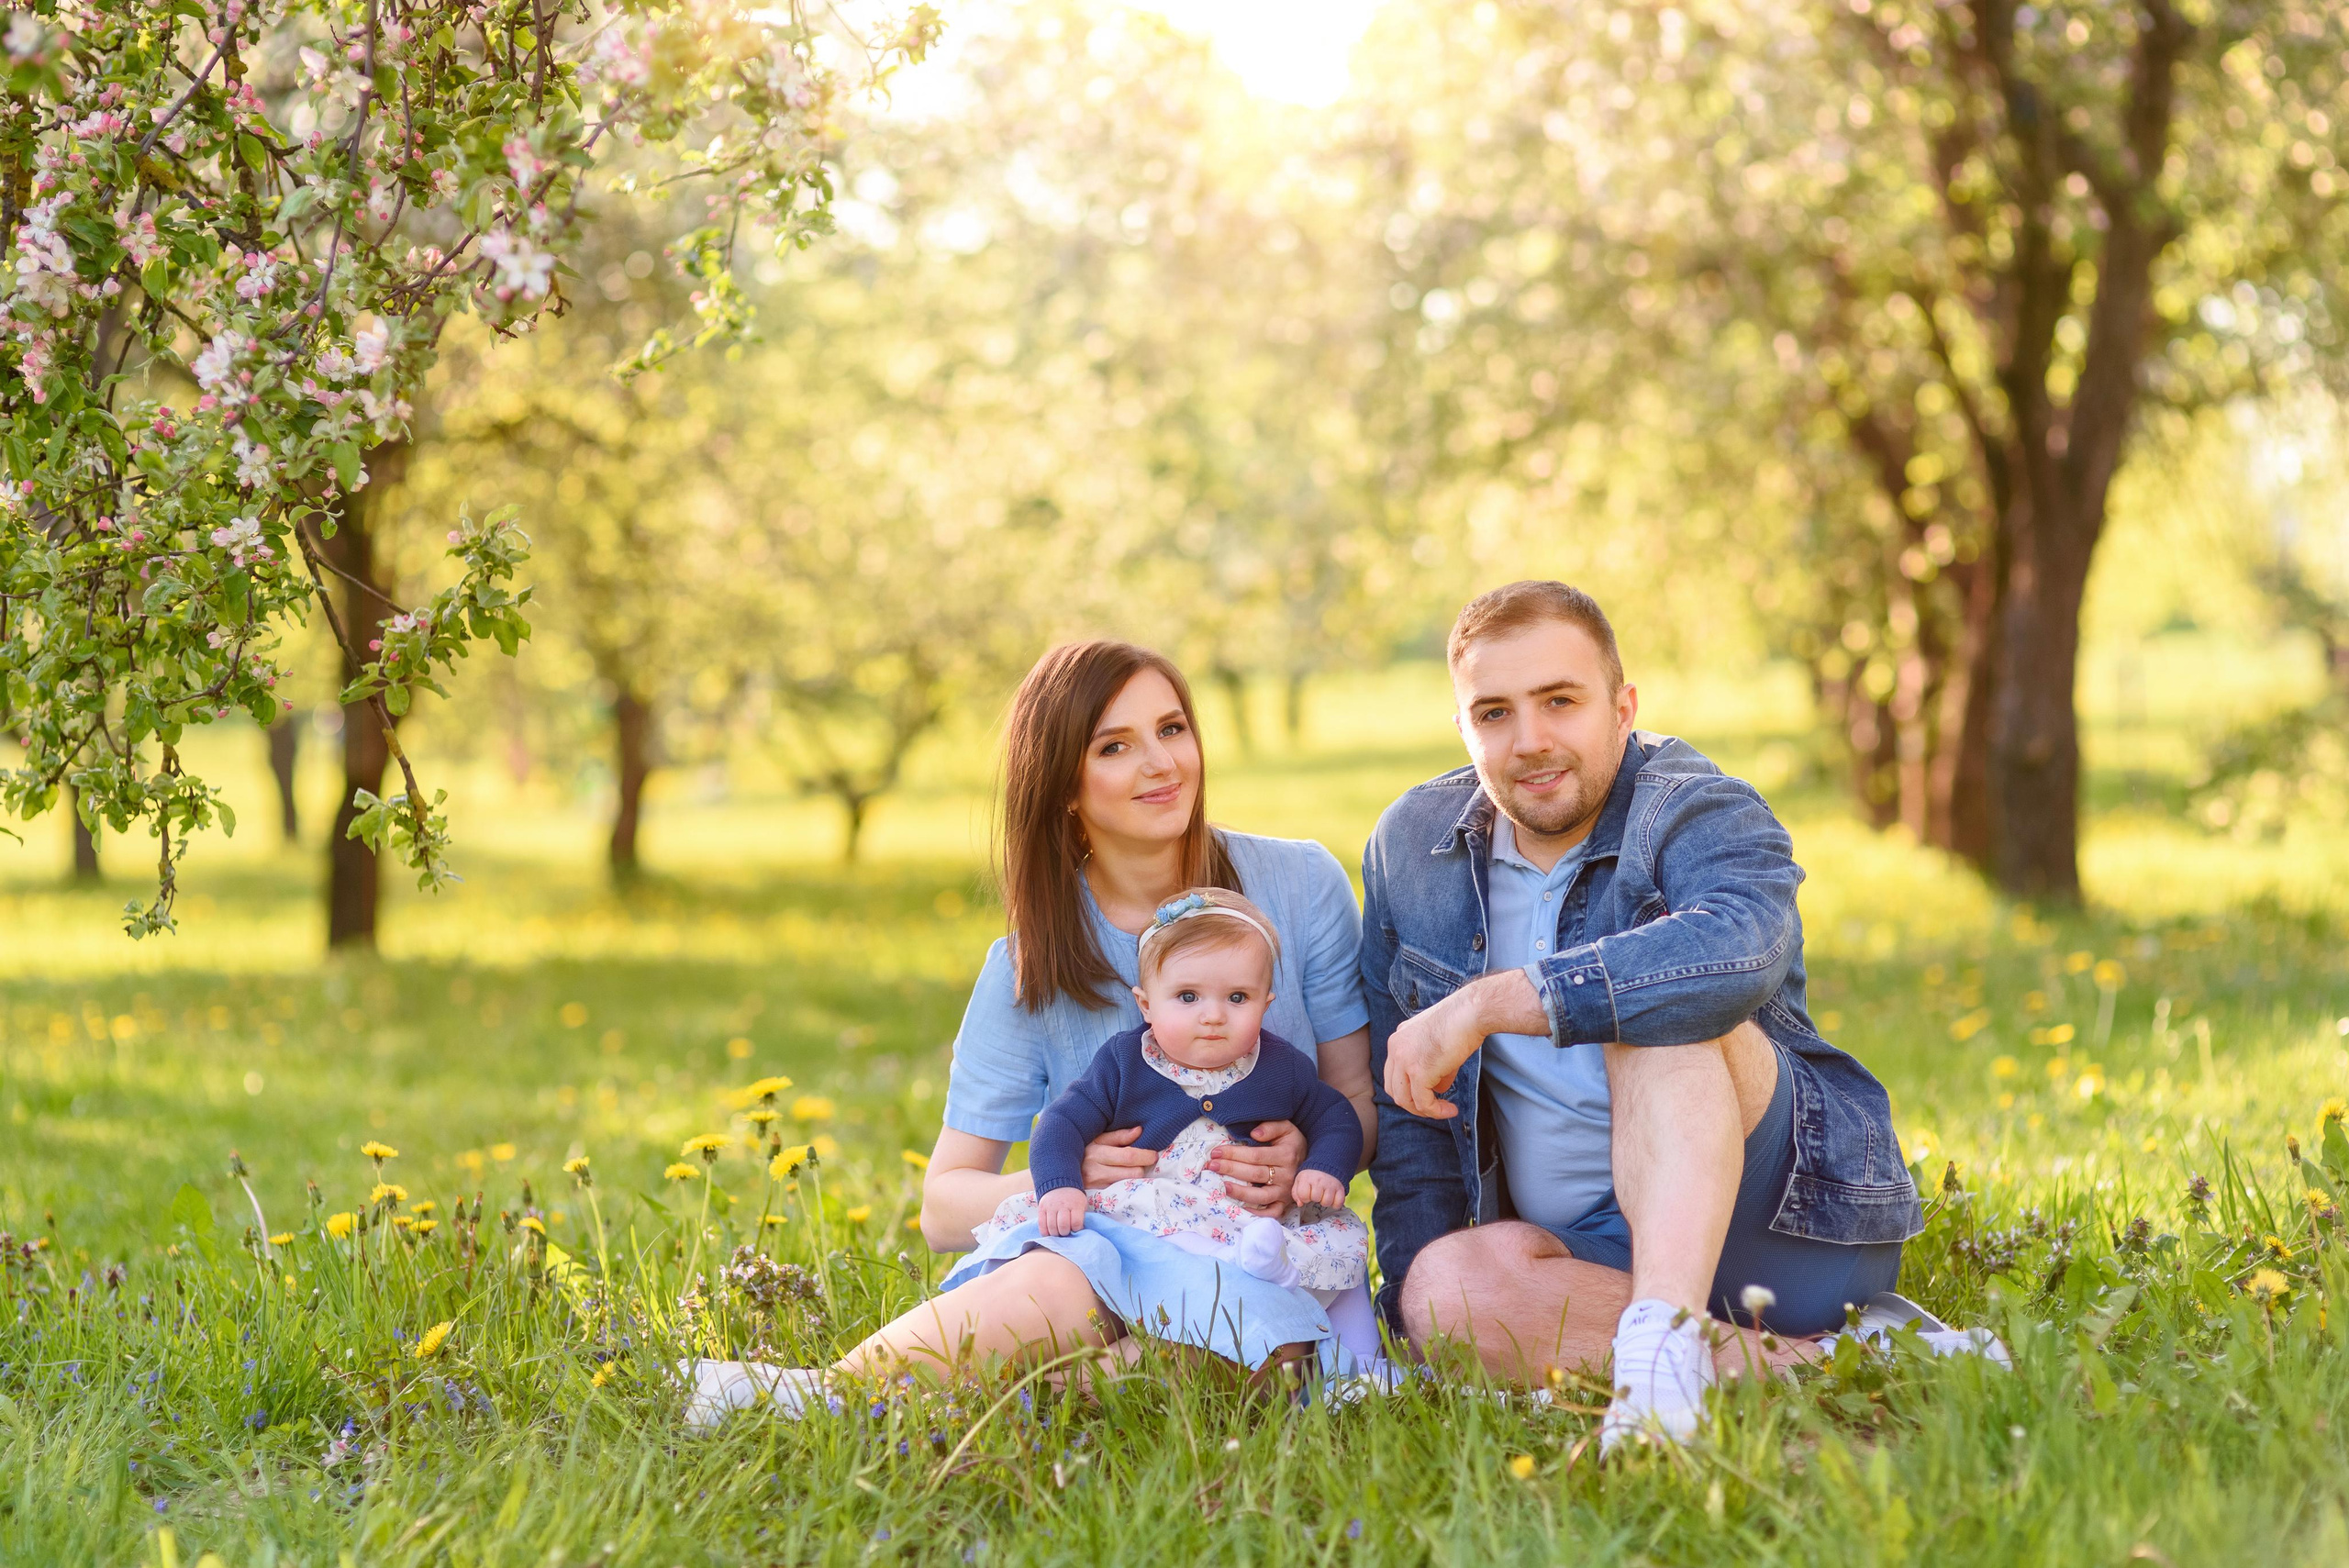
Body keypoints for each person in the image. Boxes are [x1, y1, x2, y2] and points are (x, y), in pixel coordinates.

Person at [682, 641, 1377, 1424]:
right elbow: (944, 1205)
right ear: (1064, 788)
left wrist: (1311, 1159)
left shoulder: (1300, 884)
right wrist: (1073, 1176)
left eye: (1172, 728)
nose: (1161, 763)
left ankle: (926, 1412)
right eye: (1114, 746)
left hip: (1254, 1264)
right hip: (1103, 1255)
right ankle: (819, 1398)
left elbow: (1357, 1097)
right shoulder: (1028, 963)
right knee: (1056, 1282)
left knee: (1229, 1344)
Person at [1363, 580, 1941, 1451]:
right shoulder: (1411, 848)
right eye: (1494, 713)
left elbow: (1738, 950)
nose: (1530, 740)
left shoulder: (1696, 805)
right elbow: (1413, 1114)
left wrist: (1490, 1001)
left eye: (1561, 700)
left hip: (1781, 1220)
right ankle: (1832, 1361)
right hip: (1593, 1250)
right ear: (1463, 728)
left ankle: (1666, 1344)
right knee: (1443, 1288)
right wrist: (1419, 1321)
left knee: (1652, 1012)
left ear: (1623, 707)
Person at [976, 887, 1380, 1363]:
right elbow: (1061, 1122)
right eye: (1187, 997)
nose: (1213, 1016)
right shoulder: (1123, 1064)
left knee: (1341, 1262)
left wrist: (1325, 1166)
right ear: (1146, 1004)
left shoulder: (1281, 1067)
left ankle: (1361, 1366)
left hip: (1252, 1220)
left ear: (1266, 1003)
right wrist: (1060, 1184)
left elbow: (1334, 1116)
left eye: (1237, 997)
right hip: (1159, 1217)